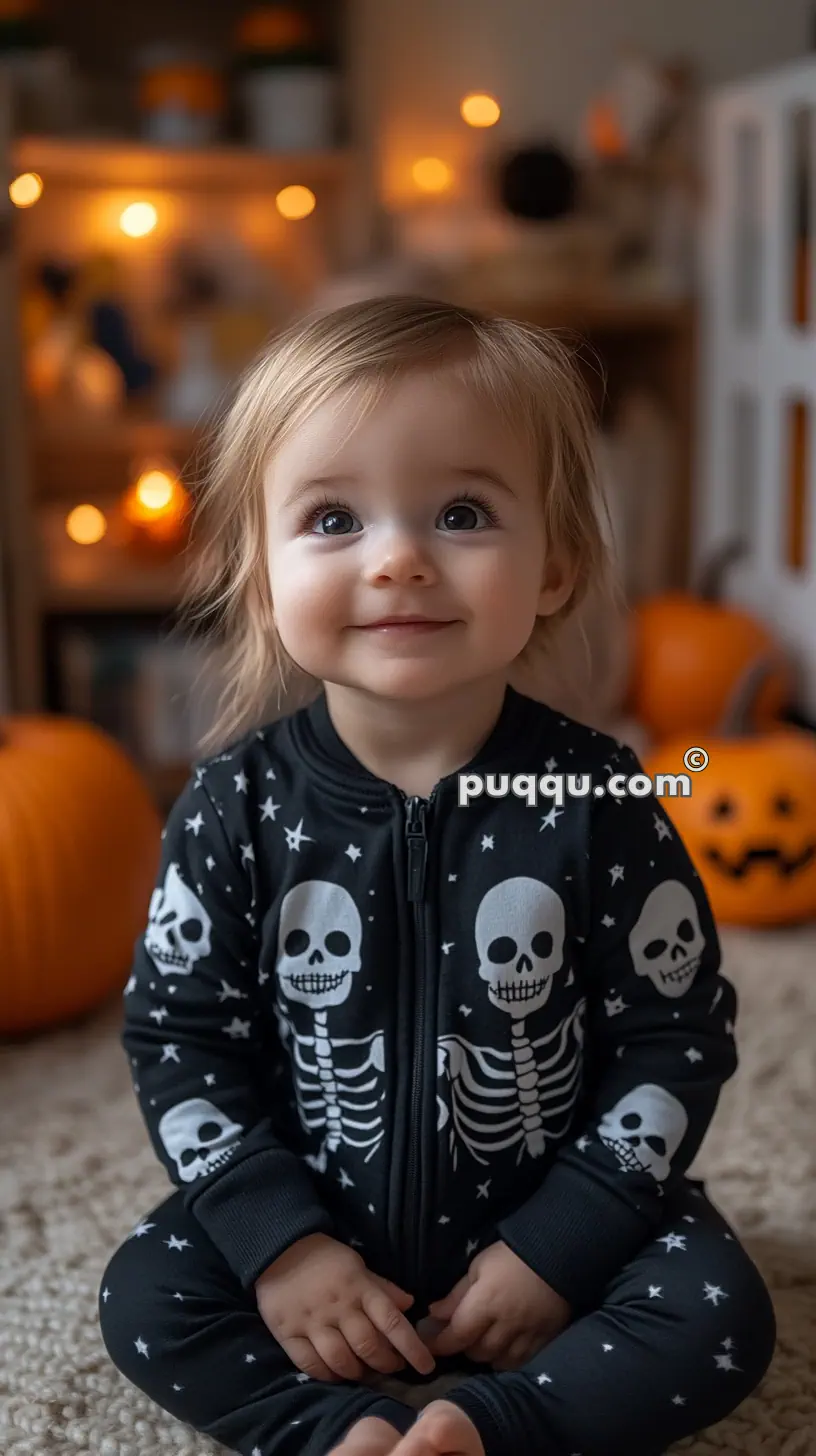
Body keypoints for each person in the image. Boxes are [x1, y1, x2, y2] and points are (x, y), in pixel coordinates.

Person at [98, 294, 776, 1456]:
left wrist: (565, 1241)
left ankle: (496, 1424)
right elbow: (182, 1034)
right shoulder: (233, 805)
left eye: (461, 512)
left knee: (720, 1315)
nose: (401, 558)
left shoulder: (604, 798)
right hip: (315, 1221)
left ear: (555, 565)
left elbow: (674, 1035)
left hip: (558, 1219)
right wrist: (280, 1244)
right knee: (145, 1299)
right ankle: (339, 1427)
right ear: (261, 577)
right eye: (332, 519)